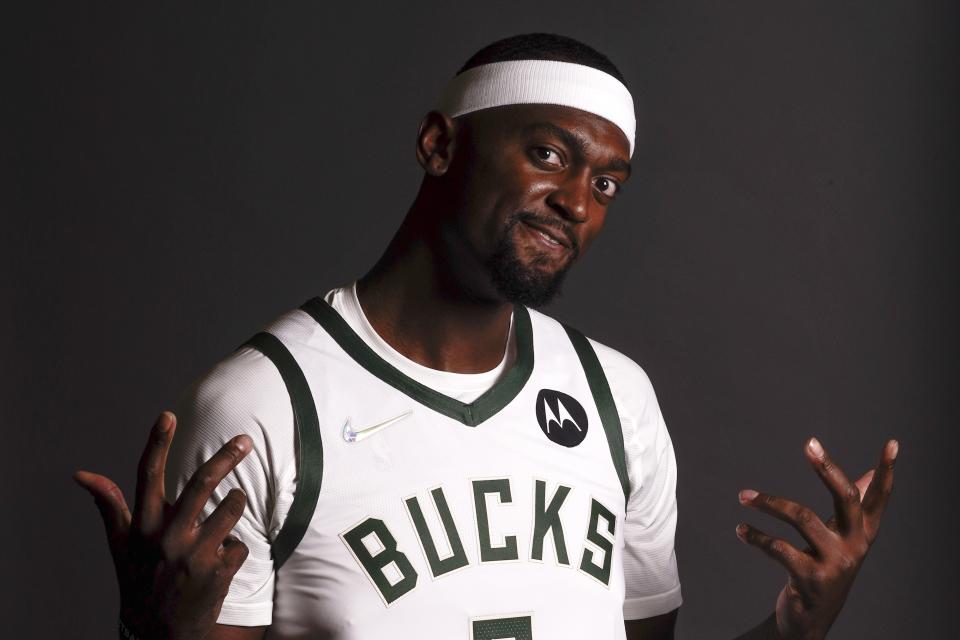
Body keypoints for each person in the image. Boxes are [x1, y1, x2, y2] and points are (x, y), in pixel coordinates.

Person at [75, 33, 898, 640]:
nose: (577, 201)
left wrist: (798, 624)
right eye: (548, 153)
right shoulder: (259, 408)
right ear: (440, 145)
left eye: (606, 182)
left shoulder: (616, 398)